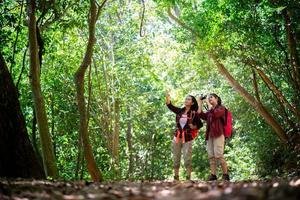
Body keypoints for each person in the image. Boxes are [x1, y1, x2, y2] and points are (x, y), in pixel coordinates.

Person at [166, 92, 203, 180]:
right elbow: (169, 105)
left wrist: (194, 126)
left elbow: (200, 124)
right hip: (177, 137)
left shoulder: (194, 113)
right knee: (176, 156)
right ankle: (176, 177)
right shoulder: (179, 111)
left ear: (192, 103)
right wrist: (167, 96)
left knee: (187, 158)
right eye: (186, 99)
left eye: (188, 99)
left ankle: (188, 177)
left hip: (188, 138)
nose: (186, 100)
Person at [197, 93, 230, 181]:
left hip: (218, 134)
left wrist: (208, 103)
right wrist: (200, 102)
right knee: (211, 156)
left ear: (217, 98)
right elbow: (200, 114)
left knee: (218, 155)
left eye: (211, 97)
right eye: (208, 98)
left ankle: (225, 174)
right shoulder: (209, 112)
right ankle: (213, 175)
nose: (209, 99)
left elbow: (215, 114)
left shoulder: (221, 108)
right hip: (210, 135)